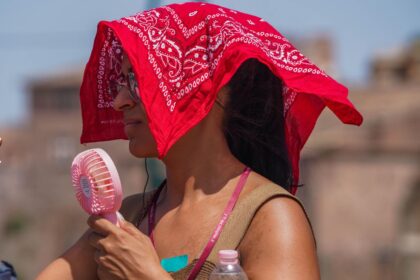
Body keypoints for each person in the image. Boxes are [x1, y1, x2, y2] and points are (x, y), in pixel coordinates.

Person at [36, 2, 362, 279]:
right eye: (120, 82)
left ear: (206, 91)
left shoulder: (271, 218)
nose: (120, 100)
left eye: (137, 80)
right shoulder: (129, 218)